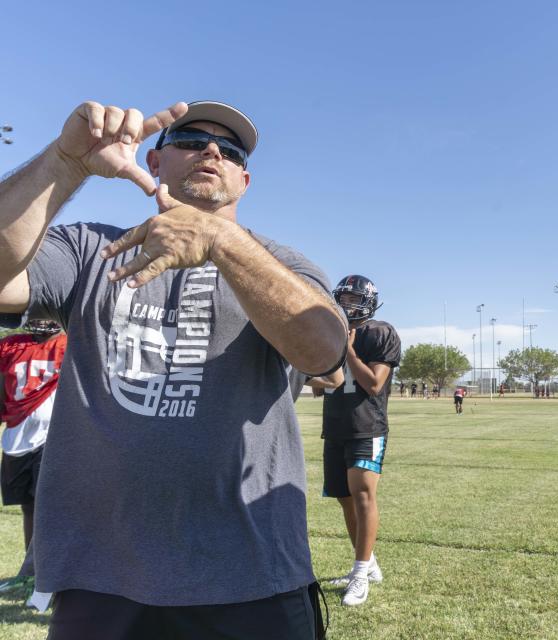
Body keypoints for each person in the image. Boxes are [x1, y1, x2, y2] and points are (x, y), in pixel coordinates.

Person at [0, 100, 348, 639]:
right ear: (155, 162)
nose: (211, 151)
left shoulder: (285, 267)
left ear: (244, 180)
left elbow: (325, 352)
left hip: (250, 577)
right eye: (190, 140)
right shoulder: (93, 249)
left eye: (229, 150)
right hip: (100, 578)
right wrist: (65, 162)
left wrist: (221, 241)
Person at [309, 275, 400, 607]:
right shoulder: (332, 330)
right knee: (345, 498)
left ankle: (360, 574)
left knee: (363, 497)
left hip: (367, 427)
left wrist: (347, 350)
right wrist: (310, 373)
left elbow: (374, 383)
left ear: (368, 301)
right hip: (335, 426)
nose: (346, 304)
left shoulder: (380, 332)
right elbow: (324, 384)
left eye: (352, 299)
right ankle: (368, 564)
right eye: (342, 298)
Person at [0, 320, 66, 591]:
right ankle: (30, 573)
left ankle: (48, 573)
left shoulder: (70, 345)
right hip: (17, 434)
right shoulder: (9, 346)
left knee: (47, 507)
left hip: (54, 436)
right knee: (29, 505)